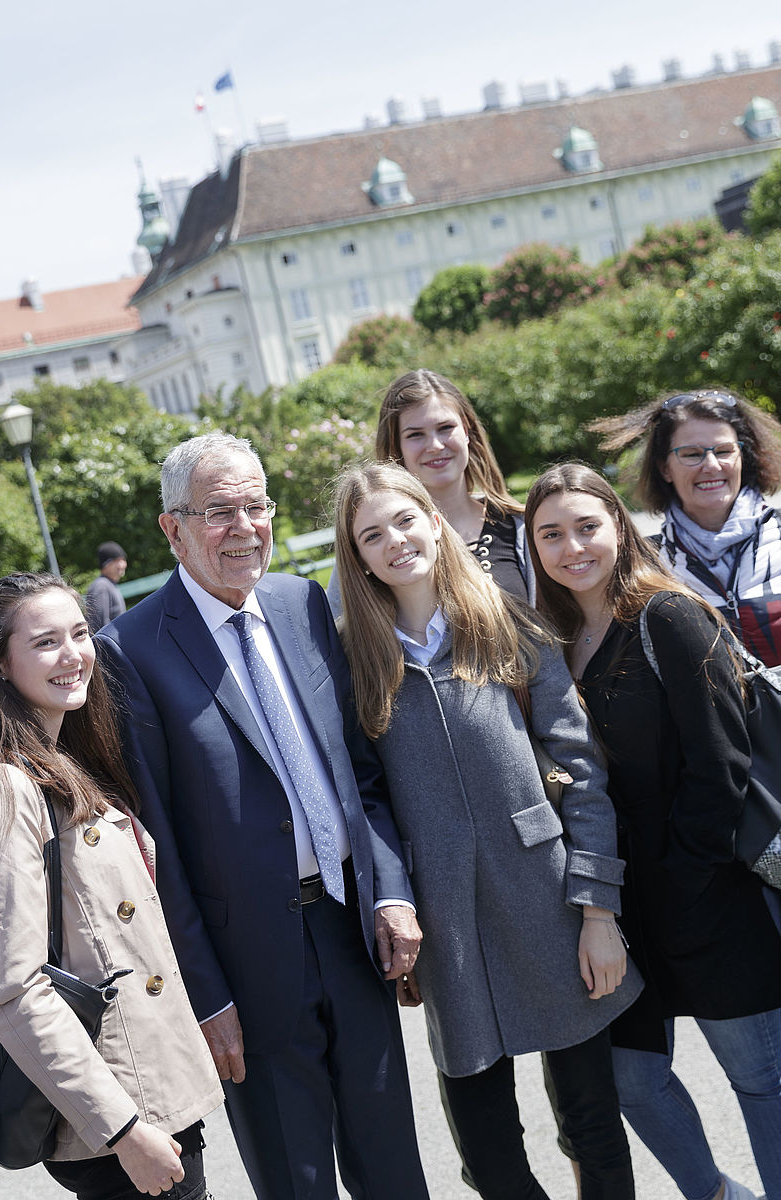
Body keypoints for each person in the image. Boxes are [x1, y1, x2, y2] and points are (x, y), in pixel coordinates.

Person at [94, 433, 429, 1200]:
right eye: (219, 512)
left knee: (396, 1172)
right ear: (172, 529)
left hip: (353, 933)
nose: (245, 527)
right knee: (296, 1180)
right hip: (246, 970)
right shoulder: (131, 650)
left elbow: (360, 775)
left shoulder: (302, 602)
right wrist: (207, 997)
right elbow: (159, 851)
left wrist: (391, 891)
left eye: (257, 505)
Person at [332, 460, 643, 1200]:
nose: (395, 541)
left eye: (405, 520)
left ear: (434, 522)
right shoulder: (352, 660)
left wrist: (599, 912)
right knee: (488, 1154)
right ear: (358, 555)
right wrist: (393, 902)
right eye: (372, 534)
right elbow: (362, 799)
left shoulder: (509, 622)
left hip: (551, 903)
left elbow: (584, 773)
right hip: (447, 929)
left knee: (592, 1126)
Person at [524, 462, 781, 1200]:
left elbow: (721, 764)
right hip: (622, 910)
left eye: (586, 526)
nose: (572, 546)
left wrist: (683, 880)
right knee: (633, 1084)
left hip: (714, 901)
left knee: (762, 1083)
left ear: (618, 527)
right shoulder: (558, 639)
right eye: (551, 535)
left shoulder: (668, 615)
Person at [0, 572, 223, 1200]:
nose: (73, 654)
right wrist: (121, 1130)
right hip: (118, 1113)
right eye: (45, 642)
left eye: (80, 633)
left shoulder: (68, 757)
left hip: (151, 1090)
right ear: (2, 666)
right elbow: (14, 990)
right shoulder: (8, 787)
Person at [590, 388, 781, 665]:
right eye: (692, 454)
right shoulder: (645, 566)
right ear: (664, 468)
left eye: (724, 450)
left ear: (743, 456)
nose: (712, 465)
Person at [327, 368, 533, 617]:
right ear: (396, 446)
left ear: (467, 431)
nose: (435, 445)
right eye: (415, 435)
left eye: (445, 427)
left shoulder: (521, 528)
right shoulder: (372, 546)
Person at [85, 542, 128, 633]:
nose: (122, 564)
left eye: (123, 560)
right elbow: (98, 624)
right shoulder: (101, 586)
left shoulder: (110, 584)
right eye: (117, 560)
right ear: (106, 564)